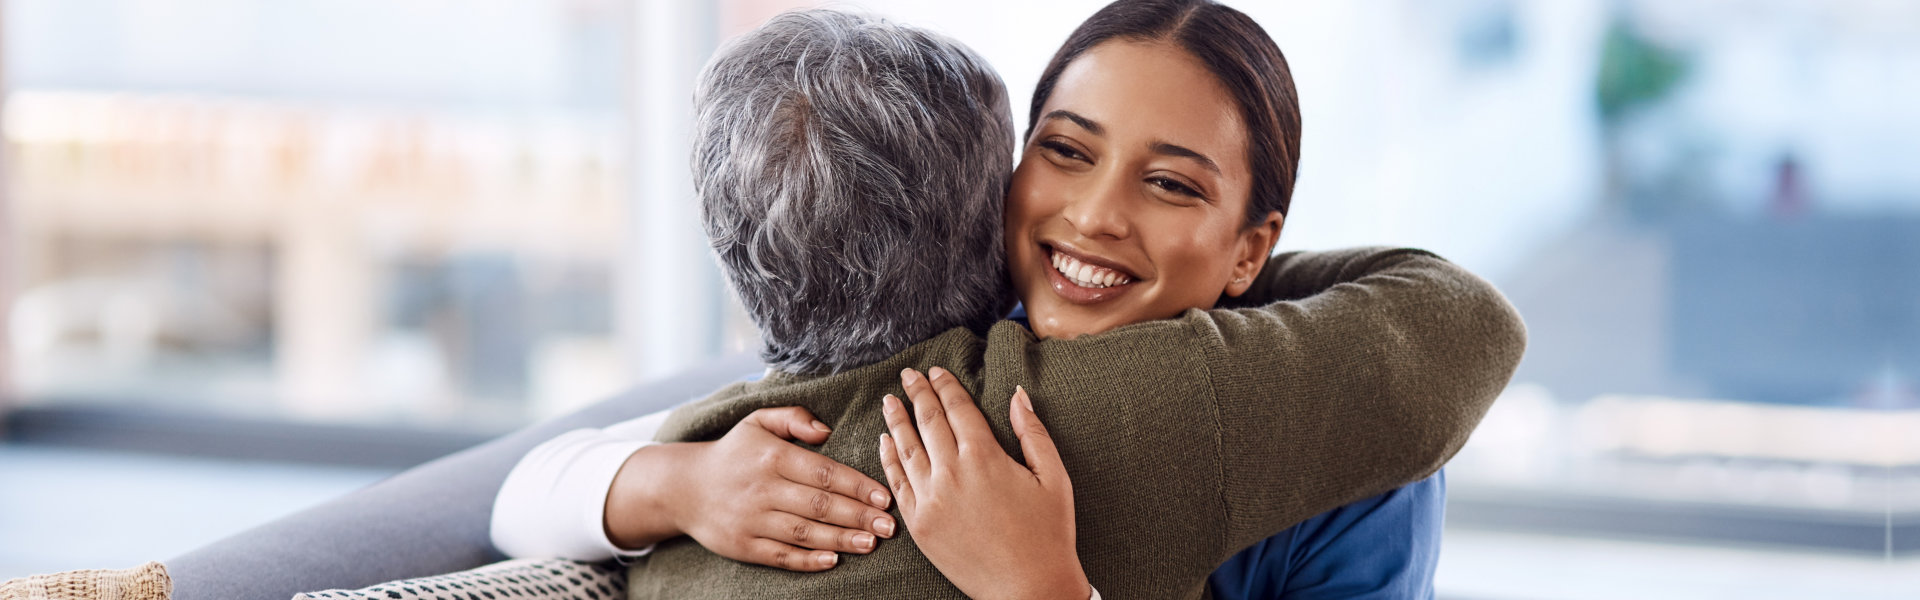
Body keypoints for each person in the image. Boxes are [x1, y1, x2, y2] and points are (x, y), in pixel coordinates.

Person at [494, 3, 1524, 599]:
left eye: (1171, 185)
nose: (1097, 215)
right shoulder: (947, 338)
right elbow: (527, 493)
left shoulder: (1349, 435)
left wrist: (1043, 590)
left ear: (1253, 247)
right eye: (1065, 153)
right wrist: (680, 486)